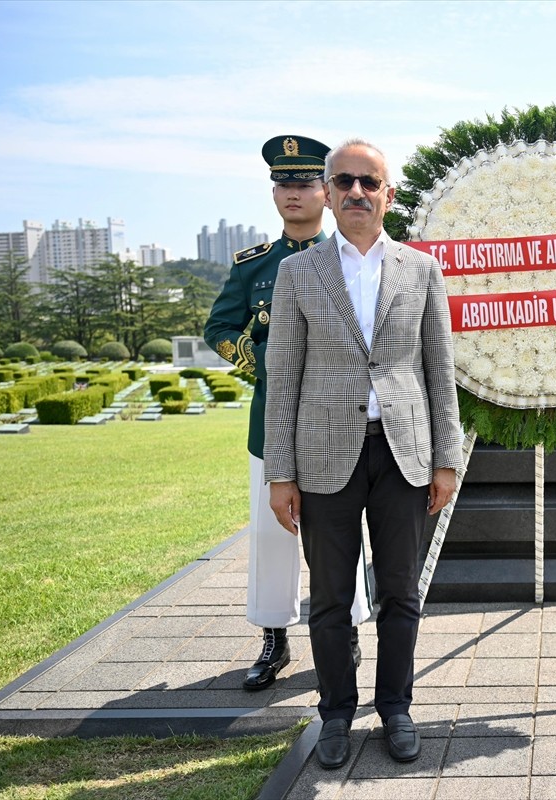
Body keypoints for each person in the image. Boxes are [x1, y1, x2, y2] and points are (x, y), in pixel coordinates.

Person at [264, 138, 463, 769]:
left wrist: (447, 459)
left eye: (368, 182)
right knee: (327, 597)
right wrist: (279, 472)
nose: (356, 192)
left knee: (401, 594)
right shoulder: (298, 273)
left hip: (403, 455)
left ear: (388, 194)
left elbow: (439, 369)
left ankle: (396, 708)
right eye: (344, 181)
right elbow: (283, 375)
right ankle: (336, 713)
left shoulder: (420, 270)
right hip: (323, 458)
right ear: (327, 191)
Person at [204, 135, 371, 692]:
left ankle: (345, 628)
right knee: (272, 536)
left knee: (341, 536)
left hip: (335, 425)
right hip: (271, 421)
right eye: (283, 184)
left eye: (303, 184)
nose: (292, 194)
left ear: (326, 192)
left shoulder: (349, 260)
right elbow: (220, 326)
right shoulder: (254, 265)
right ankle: (274, 636)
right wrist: (256, 359)